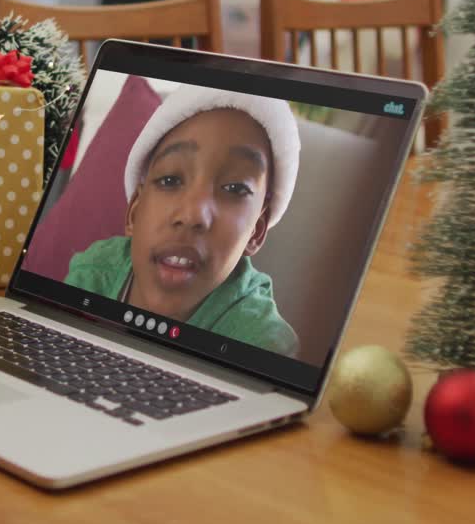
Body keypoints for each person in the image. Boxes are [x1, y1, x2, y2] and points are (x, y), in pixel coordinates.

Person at [65, 86, 301, 356]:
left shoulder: (261, 343)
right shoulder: (92, 273)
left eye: (235, 188)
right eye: (170, 180)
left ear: (256, 231)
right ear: (134, 212)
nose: (192, 215)